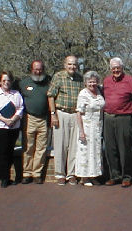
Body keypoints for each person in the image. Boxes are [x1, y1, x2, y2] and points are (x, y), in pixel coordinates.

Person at [102, 57, 132, 187]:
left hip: (124, 118)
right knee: (110, 148)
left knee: (124, 148)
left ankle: (126, 176)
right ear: (110, 69)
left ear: (122, 68)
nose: (116, 70)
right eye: (113, 68)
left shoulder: (130, 81)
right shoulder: (106, 81)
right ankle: (114, 176)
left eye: (118, 68)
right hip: (108, 117)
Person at [47, 55, 83, 185]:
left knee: (74, 146)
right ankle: (60, 173)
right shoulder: (58, 76)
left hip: (75, 114)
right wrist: (53, 114)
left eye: (74, 64)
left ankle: (71, 174)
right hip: (61, 113)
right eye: (70, 64)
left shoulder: (80, 78)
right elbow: (51, 96)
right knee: (60, 145)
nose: (72, 66)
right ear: (65, 65)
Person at [0, 71, 24, 188]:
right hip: (0, 127)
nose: (6, 82)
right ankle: (4, 178)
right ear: (0, 81)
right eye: (4, 80)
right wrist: (5, 120)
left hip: (14, 127)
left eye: (8, 80)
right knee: (3, 152)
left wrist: (13, 119)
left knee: (10, 151)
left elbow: (20, 108)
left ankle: (11, 176)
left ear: (11, 81)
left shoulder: (16, 94)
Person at [19, 60, 51, 184]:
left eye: (40, 69)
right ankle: (26, 173)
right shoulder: (23, 83)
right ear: (31, 69)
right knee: (28, 147)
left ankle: (37, 173)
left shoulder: (48, 82)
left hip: (43, 119)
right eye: (35, 69)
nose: (38, 71)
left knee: (41, 148)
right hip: (29, 118)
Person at [75, 71, 105, 186]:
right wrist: (81, 131)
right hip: (86, 127)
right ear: (85, 82)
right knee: (85, 152)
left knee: (95, 152)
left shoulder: (99, 92)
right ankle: (84, 177)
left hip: (97, 127)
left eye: (94, 81)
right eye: (90, 81)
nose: (92, 83)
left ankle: (93, 175)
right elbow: (79, 113)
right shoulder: (83, 94)